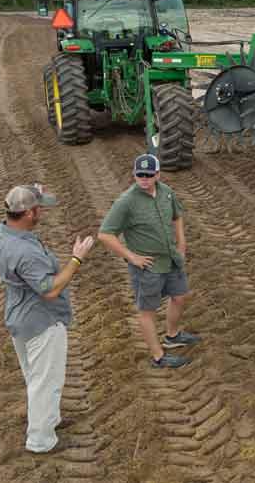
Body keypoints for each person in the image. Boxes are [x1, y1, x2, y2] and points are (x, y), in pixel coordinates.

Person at [0, 183, 95, 454]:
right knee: (45, 383)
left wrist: (32, 189)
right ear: (27, 215)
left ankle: (50, 420)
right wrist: (77, 259)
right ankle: (41, 441)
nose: (42, 213)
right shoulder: (25, 253)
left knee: (36, 377)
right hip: (41, 322)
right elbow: (51, 289)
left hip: (18, 316)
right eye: (38, 209)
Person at [98, 154, 199, 368]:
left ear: (157, 175)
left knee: (180, 297)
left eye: (148, 175)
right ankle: (158, 357)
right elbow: (105, 234)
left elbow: (177, 216)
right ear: (134, 175)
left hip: (171, 259)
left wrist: (182, 243)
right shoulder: (126, 202)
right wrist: (132, 257)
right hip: (148, 267)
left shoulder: (166, 193)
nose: (144, 178)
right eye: (139, 174)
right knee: (147, 311)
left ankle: (172, 335)